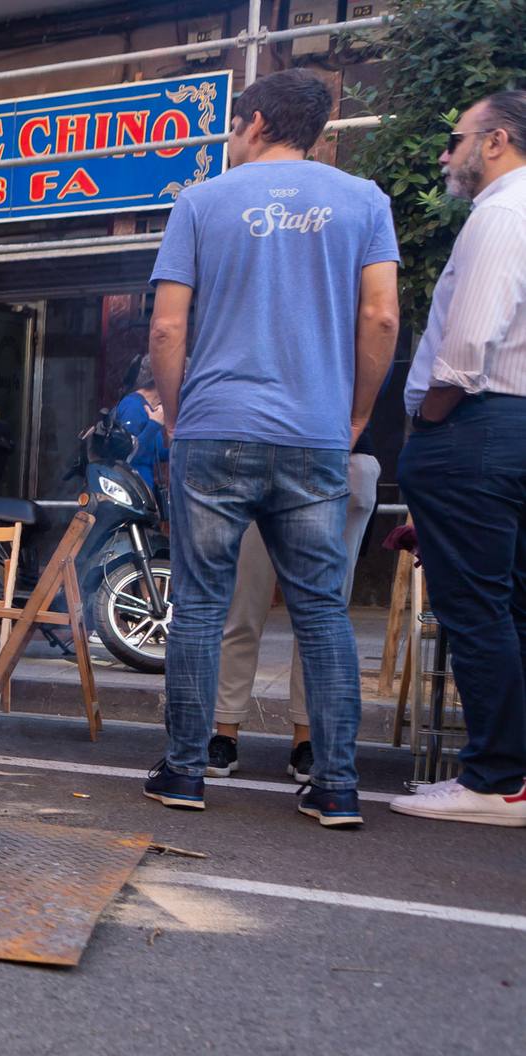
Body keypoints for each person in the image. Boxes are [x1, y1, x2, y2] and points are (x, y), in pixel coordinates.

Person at [138, 70, 399, 827]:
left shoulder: (201, 201)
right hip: (315, 433)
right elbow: (381, 319)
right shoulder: (365, 203)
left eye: (232, 125)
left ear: (253, 122)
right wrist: (354, 413)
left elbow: (164, 327)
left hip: (216, 426)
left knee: (200, 608)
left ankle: (186, 772)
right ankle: (336, 786)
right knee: (321, 612)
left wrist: (182, 414)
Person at [391, 88, 526, 827]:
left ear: (496, 141)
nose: (448, 153)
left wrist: (430, 424)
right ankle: (512, 774)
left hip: (476, 427)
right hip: (512, 426)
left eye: (458, 137)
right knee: (512, 608)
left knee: (476, 610)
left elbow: (467, 345)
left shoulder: (501, 213)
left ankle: (495, 779)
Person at [208, 453, 380, 780]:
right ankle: (225, 731)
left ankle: (308, 738)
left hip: (336, 457)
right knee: (243, 608)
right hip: (265, 458)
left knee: (320, 621)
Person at [112, 354, 169, 493]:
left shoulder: (150, 408)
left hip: (143, 491)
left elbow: (153, 453)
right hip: (129, 493)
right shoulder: (133, 406)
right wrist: (154, 424)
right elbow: (127, 455)